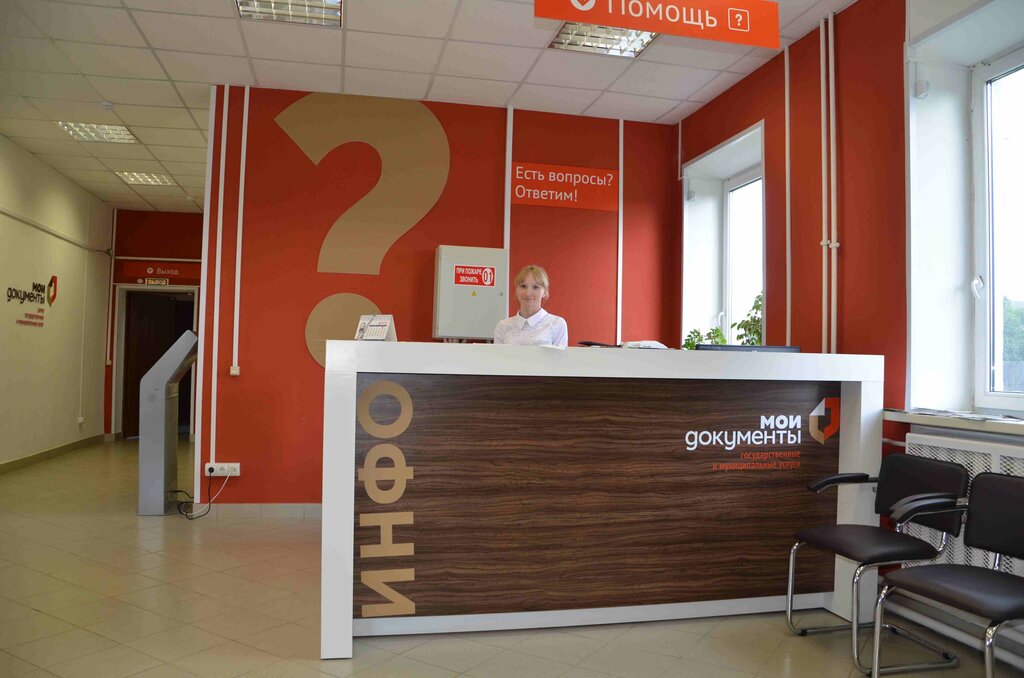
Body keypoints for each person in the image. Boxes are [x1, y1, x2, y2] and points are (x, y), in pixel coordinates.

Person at [493, 265, 568, 347]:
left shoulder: (557, 324)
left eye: (535, 287)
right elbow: (497, 355)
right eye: (523, 286)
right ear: (516, 290)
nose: (528, 293)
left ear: (545, 292)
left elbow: (560, 355)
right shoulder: (503, 326)